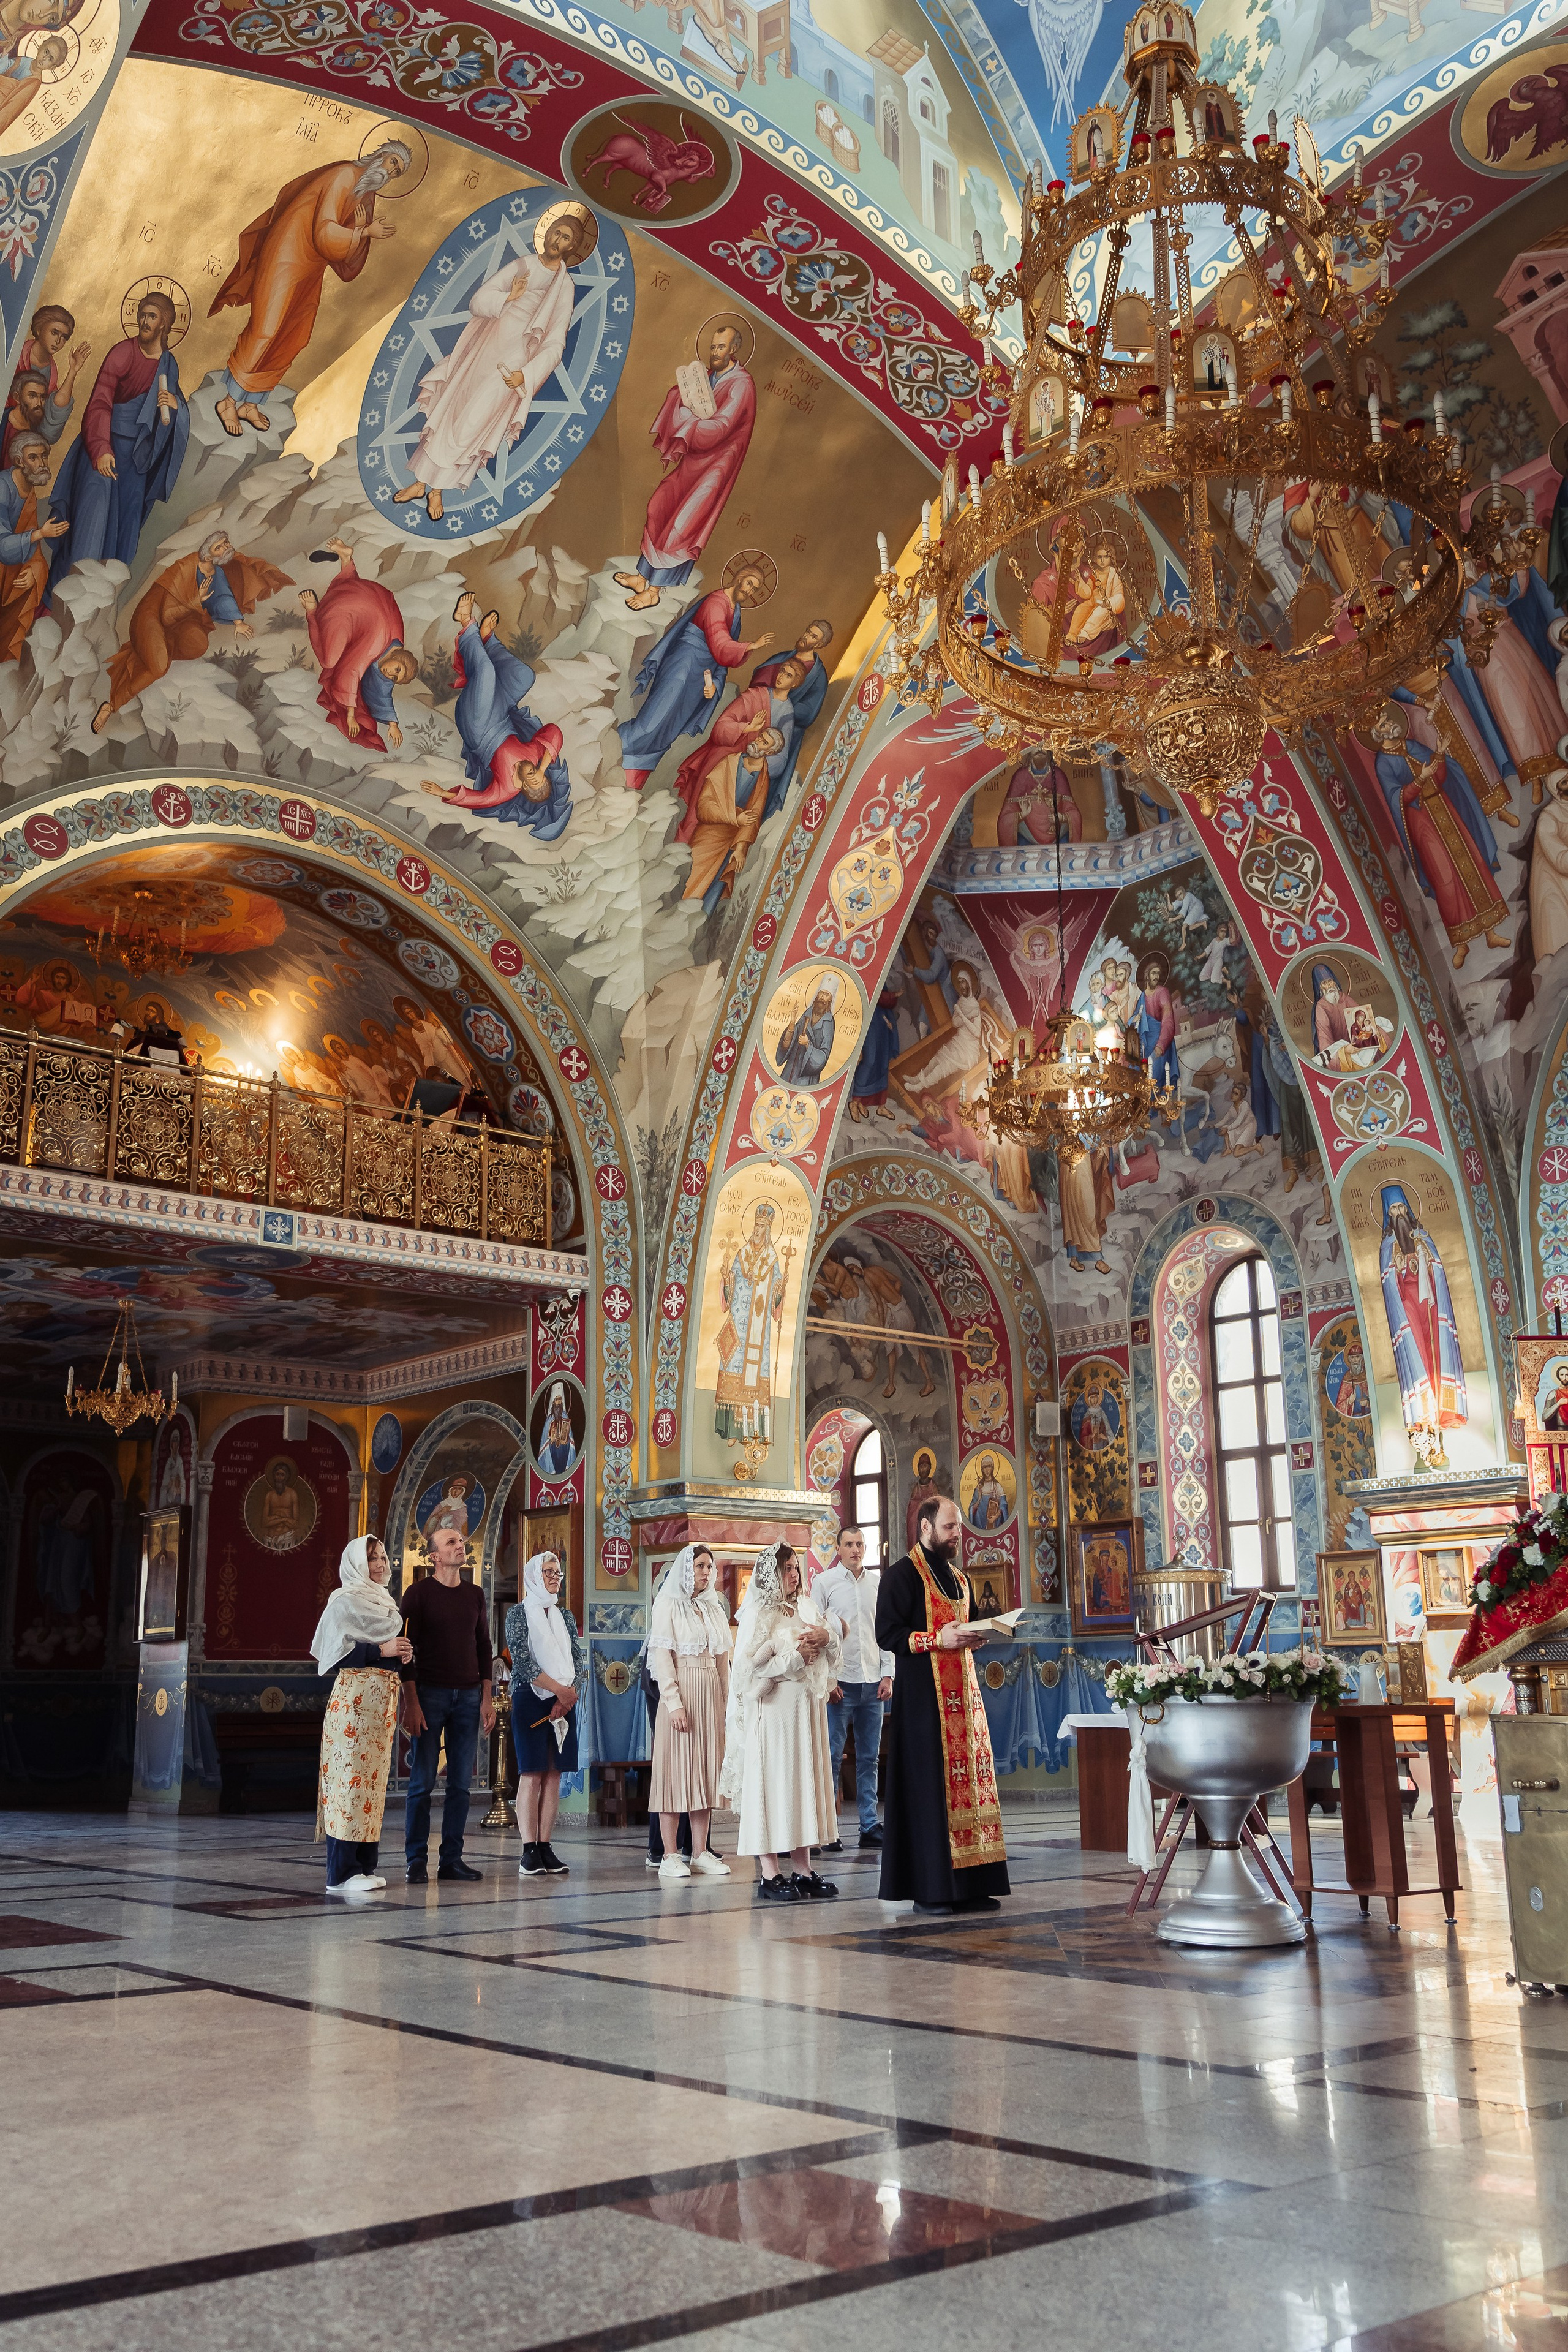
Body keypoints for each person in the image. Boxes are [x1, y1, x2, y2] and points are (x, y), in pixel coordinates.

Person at [393, 205, 596, 522]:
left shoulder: (564, 287)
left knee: (474, 422)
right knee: (453, 411)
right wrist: (509, 297)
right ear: (547, 232)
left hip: (513, 363)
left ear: (572, 247)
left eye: (566, 237)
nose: (557, 240)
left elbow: (556, 342)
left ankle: (438, 490)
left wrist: (527, 374)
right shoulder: (522, 266)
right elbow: (477, 301)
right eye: (556, 232)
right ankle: (421, 484)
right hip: (484, 349)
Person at [208, 142, 409, 437]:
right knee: (267, 328)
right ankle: (228, 402)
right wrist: (364, 232)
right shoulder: (345, 176)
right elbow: (324, 232)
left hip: (310, 267)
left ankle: (250, 403)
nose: (390, 172)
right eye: (392, 162)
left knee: (295, 334)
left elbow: (346, 256)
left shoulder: (365, 192)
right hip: (287, 254)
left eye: (397, 172)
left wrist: (361, 232)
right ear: (379, 155)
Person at [875, 1494, 1009, 1914]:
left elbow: (965, 1628)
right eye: (950, 1527)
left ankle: (973, 1884)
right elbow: (887, 1634)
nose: (957, 1535)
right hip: (923, 1705)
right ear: (926, 1528)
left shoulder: (960, 1579)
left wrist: (976, 1636)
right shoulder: (901, 1575)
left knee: (973, 1790)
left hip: (966, 1704)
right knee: (930, 1792)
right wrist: (938, 1639)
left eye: (959, 1527)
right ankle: (931, 1891)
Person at [720, 1544, 840, 1901]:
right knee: (773, 1785)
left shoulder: (806, 1608)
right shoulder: (760, 1614)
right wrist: (794, 1659)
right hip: (774, 1714)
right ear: (771, 1575)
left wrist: (828, 1638)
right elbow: (749, 1669)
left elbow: (833, 1654)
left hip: (806, 1713)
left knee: (802, 1785)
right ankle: (770, 1873)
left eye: (796, 1568)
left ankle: (803, 1869)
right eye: (786, 1568)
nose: (794, 1574)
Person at [47, 290, 189, 585]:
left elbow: (174, 409)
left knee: (126, 528)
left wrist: (176, 406)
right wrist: (101, 448)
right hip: (104, 449)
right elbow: (100, 401)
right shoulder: (123, 353)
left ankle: (104, 598)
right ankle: (67, 595)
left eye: (152, 316)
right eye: (142, 315)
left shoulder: (169, 365)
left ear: (164, 324)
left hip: (138, 459)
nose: (144, 321)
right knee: (91, 523)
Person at [614, 321, 756, 611]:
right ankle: (642, 577)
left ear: (734, 349)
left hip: (716, 468)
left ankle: (654, 591)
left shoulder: (742, 385)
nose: (715, 352)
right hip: (694, 461)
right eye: (713, 347)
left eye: (721, 347)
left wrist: (687, 419)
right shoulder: (707, 377)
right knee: (661, 507)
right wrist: (681, 400)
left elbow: (719, 428)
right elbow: (682, 400)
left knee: (683, 524)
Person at [91, 530, 290, 734]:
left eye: (225, 543)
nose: (226, 548)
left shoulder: (216, 573)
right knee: (158, 668)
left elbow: (224, 597)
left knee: (197, 644)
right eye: (219, 547)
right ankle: (112, 705)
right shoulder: (184, 569)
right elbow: (167, 615)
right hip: (150, 618)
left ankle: (158, 649)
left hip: (178, 623)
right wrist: (198, 599)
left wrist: (238, 622)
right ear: (208, 556)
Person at [310, 1535, 413, 1896]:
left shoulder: (385, 1604)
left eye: (383, 1557)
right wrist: (382, 1650)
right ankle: (341, 1873)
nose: (381, 1564)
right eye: (372, 1559)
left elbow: (385, 1652)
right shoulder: (344, 1602)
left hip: (381, 1706)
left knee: (371, 1787)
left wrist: (401, 1654)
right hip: (353, 1704)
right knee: (348, 1785)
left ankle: (365, 1866)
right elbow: (333, 1657)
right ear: (356, 1564)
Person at [617, 556, 775, 790]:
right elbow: (720, 643)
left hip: (699, 680)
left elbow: (722, 662)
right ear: (740, 578)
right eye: (750, 583)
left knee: (670, 728)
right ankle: (619, 751)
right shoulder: (716, 602)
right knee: (656, 718)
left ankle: (635, 774)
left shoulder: (736, 614)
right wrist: (751, 646)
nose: (750, 591)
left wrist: (715, 685)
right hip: (683, 666)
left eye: (755, 589)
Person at [400, 1523, 496, 1882]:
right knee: (422, 1781)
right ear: (435, 1556)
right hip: (430, 1694)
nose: (460, 1545)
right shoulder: (418, 1594)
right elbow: (405, 1653)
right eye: (451, 1542)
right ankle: (415, 1861)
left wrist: (487, 1697)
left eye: (461, 1540)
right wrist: (411, 1702)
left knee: (460, 1784)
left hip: (469, 1696)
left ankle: (451, 1860)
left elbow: (483, 1646)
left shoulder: (475, 1595)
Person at [431, 593, 570, 838]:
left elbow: (479, 800)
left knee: (486, 672)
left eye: (533, 781)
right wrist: (543, 767)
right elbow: (554, 733)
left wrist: (443, 793)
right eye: (541, 777)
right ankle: (488, 640)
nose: (534, 775)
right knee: (524, 677)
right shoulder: (535, 757)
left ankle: (466, 622)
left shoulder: (506, 788)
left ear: (524, 788)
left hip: (478, 727)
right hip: (501, 711)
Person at [647, 1542, 733, 1883]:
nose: (706, 1572)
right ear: (687, 1569)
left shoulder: (714, 1608)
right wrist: (674, 1703)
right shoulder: (669, 1604)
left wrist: (726, 1703)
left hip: (709, 1692)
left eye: (710, 1567)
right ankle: (669, 1855)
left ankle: (699, 1852)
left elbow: (723, 1661)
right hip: (682, 1691)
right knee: (675, 1773)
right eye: (700, 1566)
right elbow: (662, 1658)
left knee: (705, 1773)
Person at [505, 1549, 586, 1877]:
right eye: (549, 1572)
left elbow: (578, 1660)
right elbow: (522, 1663)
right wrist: (559, 1691)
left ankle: (545, 1846)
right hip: (531, 1696)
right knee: (533, 1773)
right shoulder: (518, 1614)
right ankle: (529, 1851)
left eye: (558, 1573)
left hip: (564, 1700)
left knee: (554, 1774)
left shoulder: (565, 1616)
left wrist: (568, 1695)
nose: (555, 1578)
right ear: (535, 1576)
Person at [298, 538, 418, 750]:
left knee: (348, 641)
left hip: (364, 592)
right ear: (399, 658)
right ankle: (313, 611)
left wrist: (393, 724)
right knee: (329, 660)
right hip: (345, 608)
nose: (391, 674)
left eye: (395, 677)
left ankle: (347, 560)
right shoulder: (375, 646)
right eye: (397, 670)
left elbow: (383, 691)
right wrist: (351, 715)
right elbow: (350, 671)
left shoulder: (394, 648)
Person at [815, 1525, 893, 1853]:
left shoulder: (878, 1583)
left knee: (869, 1759)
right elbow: (817, 1633)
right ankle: (828, 1830)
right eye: (849, 1544)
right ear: (838, 1549)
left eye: (860, 1544)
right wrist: (828, 1681)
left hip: (873, 1683)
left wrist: (888, 1675)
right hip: (840, 1685)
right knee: (831, 1758)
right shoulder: (824, 1583)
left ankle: (869, 1825)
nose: (855, 1550)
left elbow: (885, 1631)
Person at [0, 431, 66, 663]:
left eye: (44, 456)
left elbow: (33, 552)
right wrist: (40, 534)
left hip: (10, 574)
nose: (41, 463)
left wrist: (35, 570)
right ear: (19, 461)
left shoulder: (29, 489)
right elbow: (3, 547)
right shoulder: (3, 488)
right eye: (33, 458)